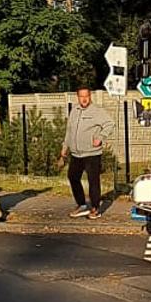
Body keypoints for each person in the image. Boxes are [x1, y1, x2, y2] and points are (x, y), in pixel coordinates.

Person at [60, 87, 110, 219]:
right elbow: (69, 131)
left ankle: (95, 208)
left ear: (90, 96)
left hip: (92, 153)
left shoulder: (97, 111)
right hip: (76, 154)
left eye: (86, 96)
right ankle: (81, 204)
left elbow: (110, 124)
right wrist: (65, 148)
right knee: (73, 177)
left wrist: (100, 137)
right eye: (81, 96)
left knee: (93, 181)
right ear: (77, 97)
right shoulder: (74, 111)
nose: (84, 99)